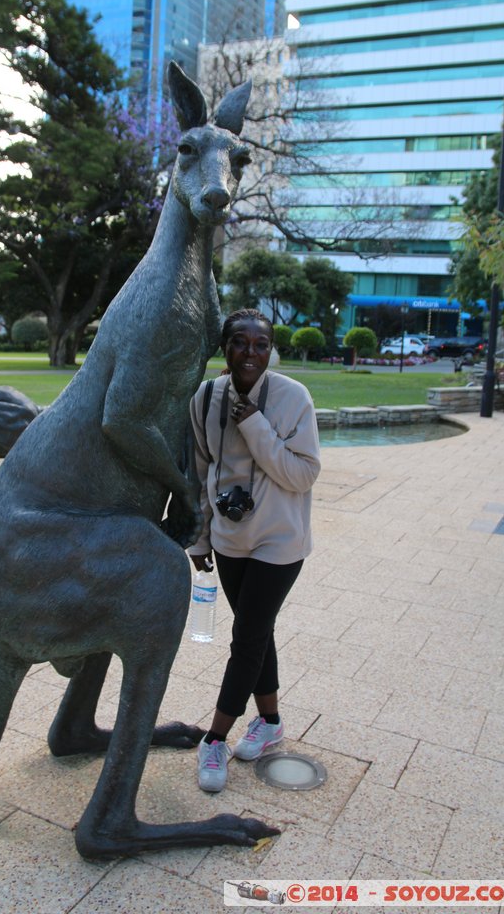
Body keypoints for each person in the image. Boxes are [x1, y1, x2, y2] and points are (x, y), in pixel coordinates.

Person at [188, 308, 321, 792]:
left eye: (260, 344)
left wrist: (255, 424)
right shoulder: (205, 397)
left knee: (245, 639)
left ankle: (213, 740)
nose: (250, 353)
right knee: (256, 632)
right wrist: (200, 538)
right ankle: (270, 723)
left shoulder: (292, 398)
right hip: (229, 540)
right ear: (225, 348)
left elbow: (303, 473)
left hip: (279, 542)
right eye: (240, 343)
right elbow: (203, 473)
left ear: (271, 349)